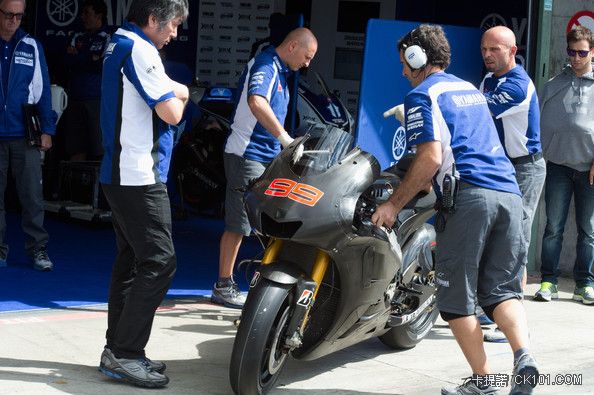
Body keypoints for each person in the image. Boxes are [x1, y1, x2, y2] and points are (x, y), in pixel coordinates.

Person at [372, 25, 537, 395]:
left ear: (418, 60)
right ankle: (524, 357)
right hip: (509, 195)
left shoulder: (422, 94)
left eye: (404, 63)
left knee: (456, 300)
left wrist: (393, 205)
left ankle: (483, 383)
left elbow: (429, 159)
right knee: (500, 292)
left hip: (471, 200)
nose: (402, 71)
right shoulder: (471, 91)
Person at [97, 0, 189, 388]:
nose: (174, 34)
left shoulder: (117, 42)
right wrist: (180, 89)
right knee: (159, 263)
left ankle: (117, 349)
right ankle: (125, 353)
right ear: (152, 20)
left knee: (133, 261)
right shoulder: (139, 49)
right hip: (138, 176)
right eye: (172, 26)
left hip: (120, 173)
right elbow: (172, 113)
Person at [212, 28, 318, 308]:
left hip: (267, 158)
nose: (307, 64)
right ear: (293, 45)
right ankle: (223, 285)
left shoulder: (281, 71)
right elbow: (256, 101)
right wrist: (284, 138)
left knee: (269, 222)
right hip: (247, 155)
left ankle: (269, 282)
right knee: (239, 224)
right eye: (307, 57)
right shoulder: (266, 64)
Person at [478, 26, 546, 342]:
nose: (488, 55)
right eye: (485, 49)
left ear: (512, 51)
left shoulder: (518, 85)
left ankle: (511, 322)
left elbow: (479, 111)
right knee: (495, 236)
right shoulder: (489, 80)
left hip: (526, 169)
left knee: (515, 240)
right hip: (501, 167)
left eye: (496, 49)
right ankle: (491, 307)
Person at [536, 26, 594, 306]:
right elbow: (539, 119)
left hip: (590, 169)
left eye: (582, 52)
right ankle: (549, 281)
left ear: (592, 52)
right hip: (558, 165)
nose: (576, 58)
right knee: (553, 228)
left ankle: (585, 283)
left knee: (589, 230)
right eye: (571, 52)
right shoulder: (554, 83)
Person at [0, 0, 55, 271]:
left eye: (18, 16)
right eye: (8, 15)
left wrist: (47, 129)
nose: (13, 21)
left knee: (32, 195)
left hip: (25, 134)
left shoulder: (31, 46)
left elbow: (43, 91)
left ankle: (38, 249)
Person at [61, 0, 110, 161]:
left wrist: (80, 57)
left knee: (99, 149)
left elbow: (101, 66)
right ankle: (76, 186)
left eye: (87, 13)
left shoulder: (107, 37)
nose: (83, 17)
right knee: (76, 148)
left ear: (99, 16)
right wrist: (89, 58)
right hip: (75, 99)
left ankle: (99, 186)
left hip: (97, 100)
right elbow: (66, 61)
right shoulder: (77, 36)